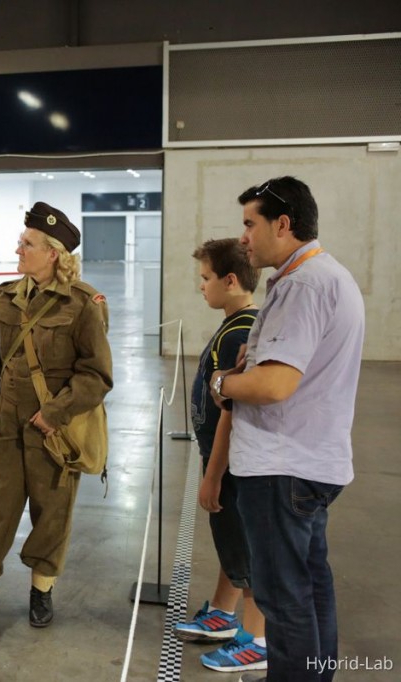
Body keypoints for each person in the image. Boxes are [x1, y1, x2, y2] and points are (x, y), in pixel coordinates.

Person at [210, 177, 364, 682]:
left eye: (250, 224)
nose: (245, 238)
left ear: (283, 224)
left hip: (282, 467)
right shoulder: (329, 276)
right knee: (312, 588)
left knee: (284, 601)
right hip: (311, 461)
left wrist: (223, 382)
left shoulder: (303, 285)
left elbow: (275, 385)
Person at [0, 201, 113, 628]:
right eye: (20, 241)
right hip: (4, 427)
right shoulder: (4, 298)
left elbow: (96, 376)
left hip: (53, 433)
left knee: (52, 512)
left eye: (27, 243)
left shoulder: (85, 304)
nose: (18, 250)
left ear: (52, 252)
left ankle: (41, 591)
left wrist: (55, 413)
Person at [175, 238, 267, 674]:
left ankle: (257, 640)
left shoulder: (240, 333)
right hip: (223, 461)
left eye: (206, 278)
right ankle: (223, 613)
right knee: (231, 544)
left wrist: (211, 475)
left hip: (229, 466)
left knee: (245, 553)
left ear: (231, 281)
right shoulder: (235, 322)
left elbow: (233, 414)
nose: (201, 287)